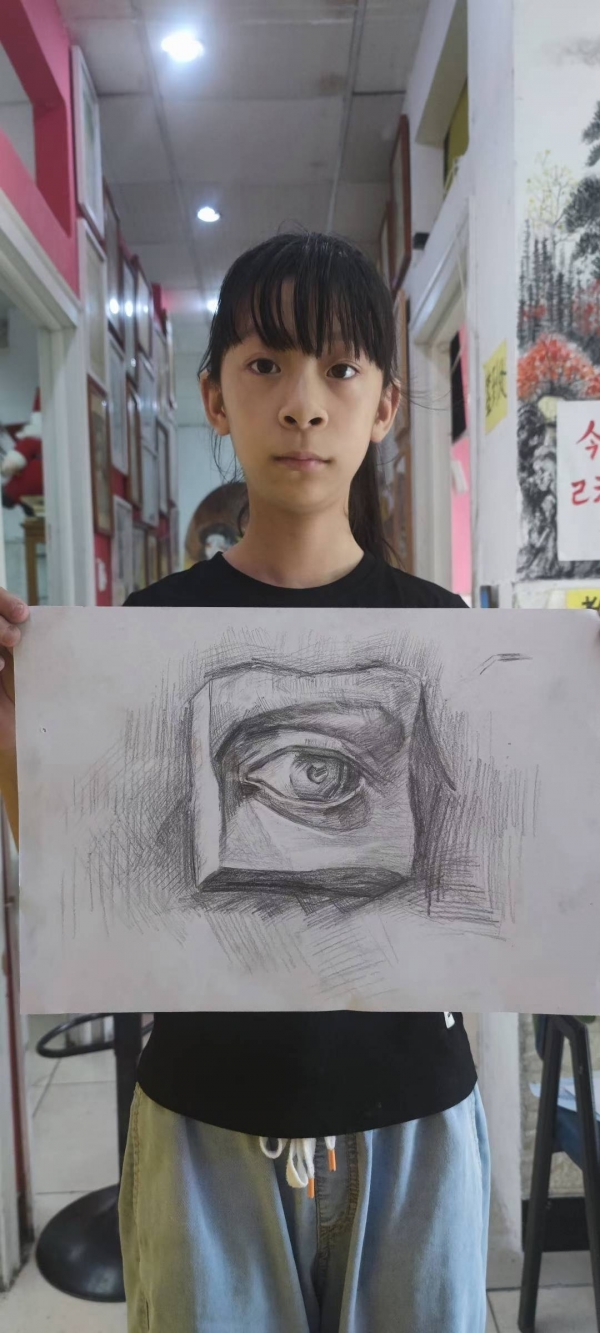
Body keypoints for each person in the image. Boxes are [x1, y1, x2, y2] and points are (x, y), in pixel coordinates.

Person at [0, 232, 490, 1332]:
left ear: (386, 405)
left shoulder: (443, 634)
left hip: (412, 1105)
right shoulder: (150, 632)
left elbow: (483, 875)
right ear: (214, 396)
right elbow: (98, 885)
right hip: (206, 1110)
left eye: (341, 368)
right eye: (266, 364)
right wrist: (13, 737)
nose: (304, 404)